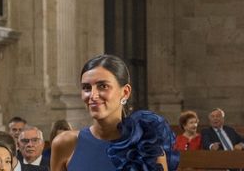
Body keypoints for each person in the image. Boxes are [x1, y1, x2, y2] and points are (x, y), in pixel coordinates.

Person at [50, 54, 178, 171]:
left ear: (125, 92)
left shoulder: (147, 147)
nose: (93, 95)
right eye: (86, 88)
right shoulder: (64, 143)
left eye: (103, 86)